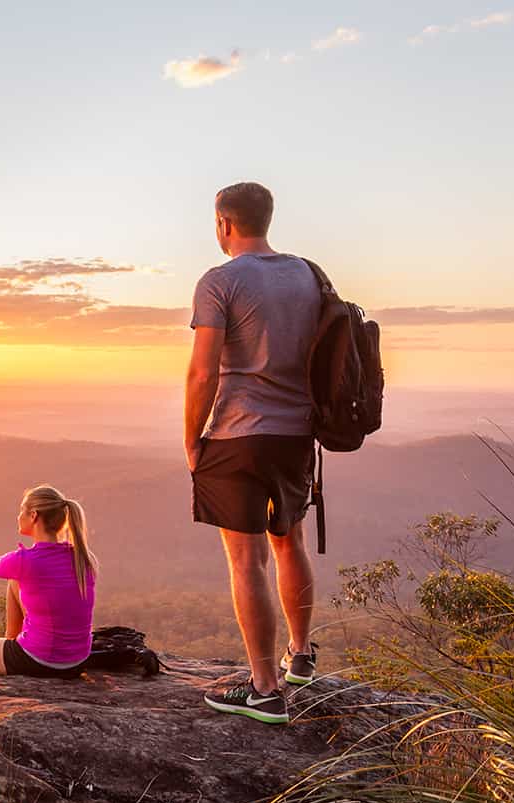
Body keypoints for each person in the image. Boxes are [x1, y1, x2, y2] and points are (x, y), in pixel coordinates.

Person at [184, 181, 322, 725]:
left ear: (224, 224)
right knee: (290, 542)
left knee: (247, 561)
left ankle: (264, 688)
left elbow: (202, 370)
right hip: (297, 433)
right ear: (267, 217)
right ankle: (301, 655)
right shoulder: (308, 274)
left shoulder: (219, 281)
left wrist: (193, 440)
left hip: (239, 433)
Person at [0, 485, 97, 678]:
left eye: (22, 510)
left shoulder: (25, 561)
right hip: (77, 661)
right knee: (16, 580)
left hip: (41, 661)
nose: (18, 516)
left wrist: (18, 556)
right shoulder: (84, 559)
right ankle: (12, 643)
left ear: (34, 516)